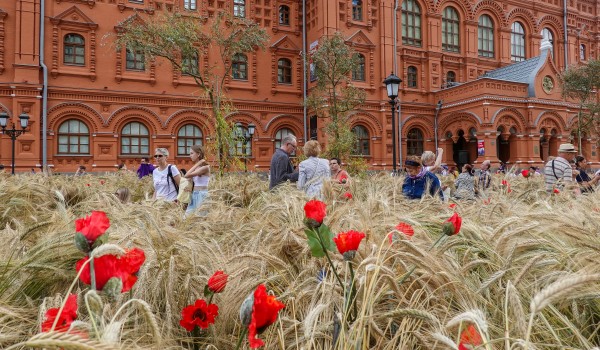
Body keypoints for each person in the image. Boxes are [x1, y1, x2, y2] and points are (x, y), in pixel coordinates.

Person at [183, 145, 210, 215]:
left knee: (200, 219)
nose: (190, 155)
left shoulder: (205, 167)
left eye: (192, 153)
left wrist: (198, 163)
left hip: (202, 195)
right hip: (194, 194)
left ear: (198, 154)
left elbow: (186, 175)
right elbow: (188, 178)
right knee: (186, 218)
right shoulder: (196, 167)